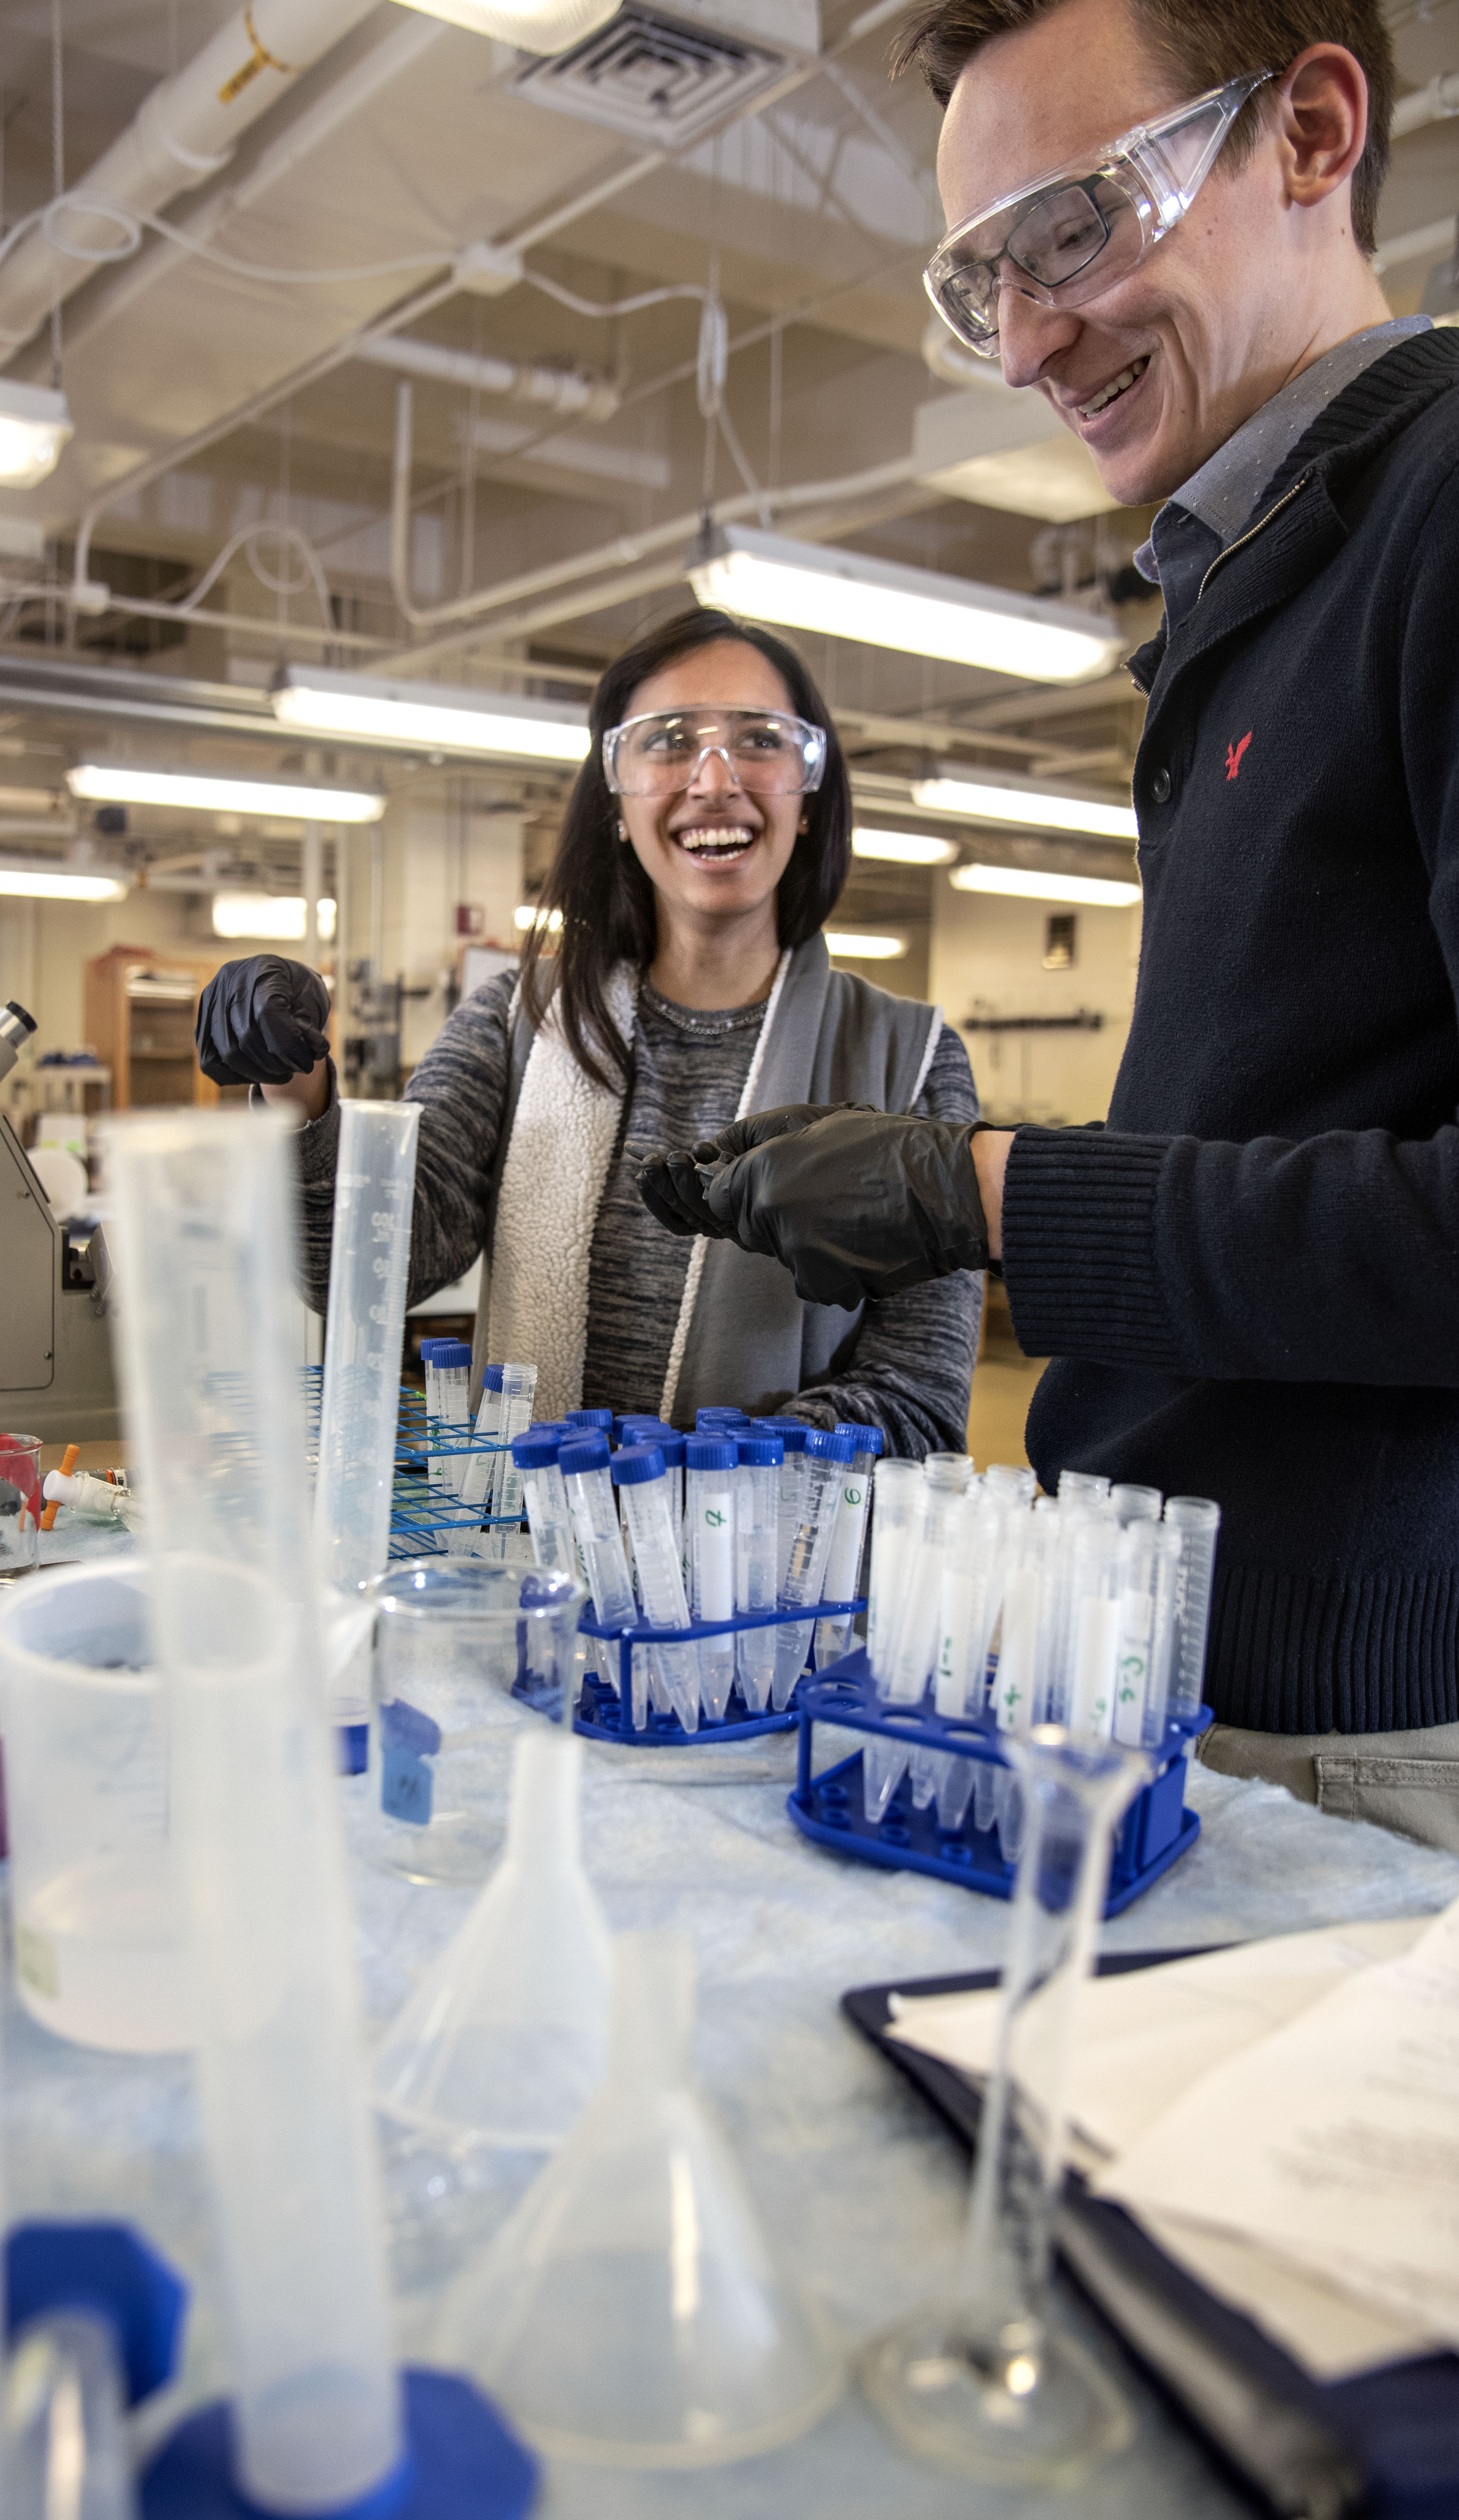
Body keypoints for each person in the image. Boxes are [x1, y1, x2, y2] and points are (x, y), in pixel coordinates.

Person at [640, 0, 1459, 1851]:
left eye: (1076, 231)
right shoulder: (1256, 580)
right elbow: (1295, 1144)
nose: (1020, 341)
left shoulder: (1438, 514)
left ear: (1312, 134)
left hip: (1353, 1738)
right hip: (1172, 1670)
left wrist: (990, 1194)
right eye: (978, 278)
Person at [194, 606, 984, 1442]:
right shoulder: (517, 1020)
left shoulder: (910, 1059)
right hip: (531, 1560)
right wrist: (293, 1084)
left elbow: (918, 1400)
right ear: (615, 795)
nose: (715, 780)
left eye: (759, 740)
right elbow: (364, 1266)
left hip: (773, 1569)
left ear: (810, 792)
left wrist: (682, 1486)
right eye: (670, 740)